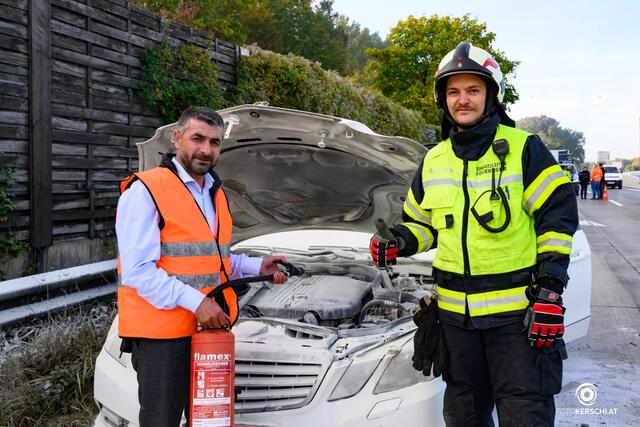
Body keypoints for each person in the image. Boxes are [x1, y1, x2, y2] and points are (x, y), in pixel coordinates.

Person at [370, 42, 578, 426]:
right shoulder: (434, 159)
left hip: (516, 322)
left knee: (524, 415)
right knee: (463, 416)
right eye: (453, 91)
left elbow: (557, 217)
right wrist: (398, 241)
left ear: (491, 95)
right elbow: (424, 224)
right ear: (442, 99)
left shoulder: (523, 149)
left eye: (472, 90)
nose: (462, 100)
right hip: (455, 322)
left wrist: (550, 292)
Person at [116, 106, 289, 427]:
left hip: (206, 331)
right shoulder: (145, 190)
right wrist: (198, 303)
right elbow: (138, 270)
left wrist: (257, 266)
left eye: (215, 143)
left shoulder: (214, 193)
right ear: (177, 138)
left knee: (209, 420)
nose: (206, 150)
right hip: (162, 338)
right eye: (198, 139)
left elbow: (214, 260)